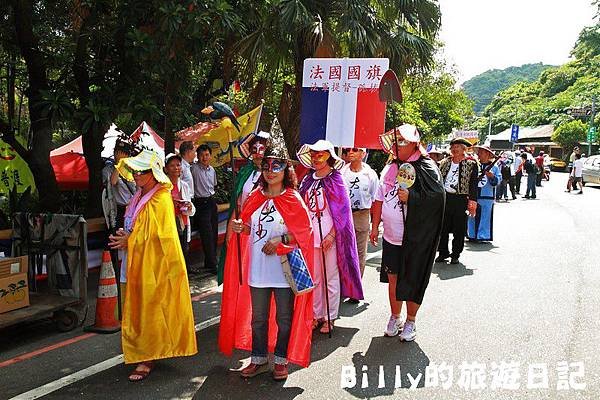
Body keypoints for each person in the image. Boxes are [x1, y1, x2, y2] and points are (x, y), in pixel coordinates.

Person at [218, 123, 314, 380]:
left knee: (284, 318)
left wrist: (281, 239)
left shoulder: (293, 199)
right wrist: (242, 227)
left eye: (277, 166)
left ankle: (281, 360)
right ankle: (258, 357)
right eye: (266, 166)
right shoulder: (254, 198)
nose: (270, 172)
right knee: (258, 318)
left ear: (286, 169)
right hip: (258, 270)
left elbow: (304, 234)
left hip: (283, 271)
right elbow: (250, 228)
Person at [108, 149, 197, 382]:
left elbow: (161, 236)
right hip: (135, 258)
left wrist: (130, 239)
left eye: (142, 170)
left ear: (154, 172)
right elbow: (139, 225)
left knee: (150, 307)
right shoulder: (138, 195)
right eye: (135, 170)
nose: (137, 174)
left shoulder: (161, 197)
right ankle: (139, 349)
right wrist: (126, 235)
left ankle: (148, 356)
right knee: (135, 305)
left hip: (155, 264)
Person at [369, 124, 445, 341]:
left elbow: (438, 198)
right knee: (393, 278)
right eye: (396, 141)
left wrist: (412, 198)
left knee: (412, 278)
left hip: (416, 238)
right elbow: (379, 198)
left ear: (414, 144)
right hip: (391, 237)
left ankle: (411, 320)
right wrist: (375, 227)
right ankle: (395, 316)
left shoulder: (426, 166)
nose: (397, 146)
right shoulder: (390, 167)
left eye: (402, 141)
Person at [297, 140, 363, 334]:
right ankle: (317, 314)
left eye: (321, 155)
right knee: (315, 277)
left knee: (330, 277)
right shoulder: (308, 179)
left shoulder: (336, 179)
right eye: (314, 155)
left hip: (330, 236)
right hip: (311, 235)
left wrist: (332, 235)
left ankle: (330, 316)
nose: (316, 159)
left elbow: (342, 211)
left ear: (329, 157)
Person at [217, 129, 270, 284]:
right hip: (244, 227)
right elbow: (238, 204)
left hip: (266, 226)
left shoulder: (276, 174)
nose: (258, 154)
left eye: (262, 150)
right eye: (254, 150)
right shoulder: (246, 173)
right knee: (243, 270)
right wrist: (229, 231)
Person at [340, 147, 378, 302]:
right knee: (342, 251)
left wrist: (375, 225)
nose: (351, 152)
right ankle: (342, 286)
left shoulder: (370, 174)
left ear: (363, 154)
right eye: (348, 150)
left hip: (362, 214)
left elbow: (376, 199)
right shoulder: (341, 172)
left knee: (360, 253)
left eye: (355, 150)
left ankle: (355, 288)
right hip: (343, 214)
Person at [436, 138, 478, 264]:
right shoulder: (445, 162)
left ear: (463, 148)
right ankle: (443, 252)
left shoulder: (471, 163)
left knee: (459, 228)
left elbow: (473, 184)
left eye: (457, 147)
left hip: (461, 198)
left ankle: (456, 253)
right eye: (453, 146)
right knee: (442, 227)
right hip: (445, 197)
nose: (454, 149)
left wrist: (473, 201)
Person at [164, 153, 196, 267]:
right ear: (166, 169)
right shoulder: (162, 187)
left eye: (178, 165)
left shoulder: (184, 186)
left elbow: (191, 211)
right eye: (172, 166)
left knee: (182, 255)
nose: (176, 168)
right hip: (168, 226)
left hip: (183, 225)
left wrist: (189, 206)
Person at [191, 144, 218, 273]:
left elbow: (214, 186)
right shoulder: (194, 169)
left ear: (210, 156)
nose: (204, 157)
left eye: (207, 155)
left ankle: (210, 261)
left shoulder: (212, 170)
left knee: (214, 232)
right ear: (197, 156)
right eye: (201, 155)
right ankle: (213, 265)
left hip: (211, 202)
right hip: (200, 203)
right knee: (206, 234)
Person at [102, 137, 136, 231]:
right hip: (118, 210)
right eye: (118, 153)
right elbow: (113, 182)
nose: (120, 155)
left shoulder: (132, 170)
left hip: (133, 208)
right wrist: (119, 164)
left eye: (123, 153)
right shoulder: (108, 170)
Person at [468, 146, 501, 242]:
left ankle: (483, 235)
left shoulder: (494, 167)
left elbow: (498, 180)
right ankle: (471, 234)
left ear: (488, 154)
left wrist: (492, 177)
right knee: (471, 215)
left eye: (481, 152)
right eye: (478, 152)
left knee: (485, 217)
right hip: (474, 195)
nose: (479, 154)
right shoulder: (474, 165)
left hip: (487, 196)